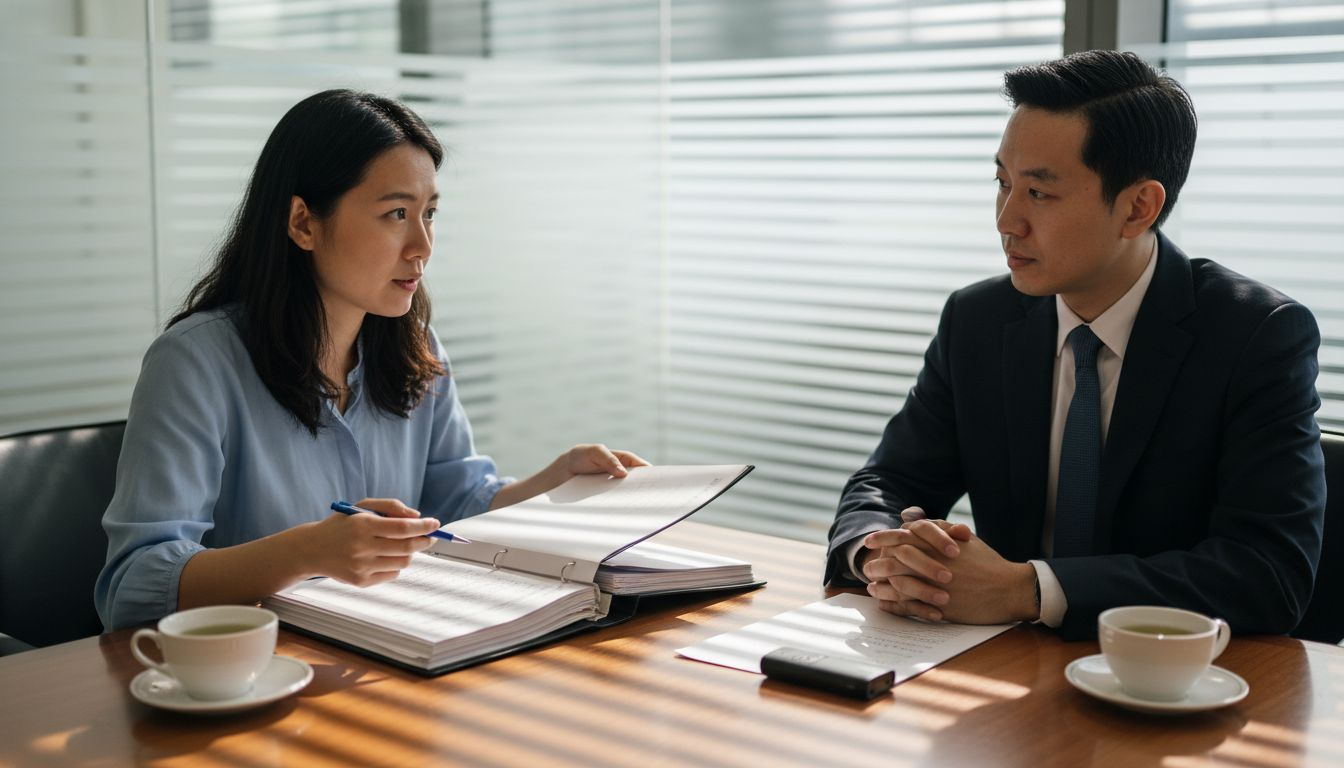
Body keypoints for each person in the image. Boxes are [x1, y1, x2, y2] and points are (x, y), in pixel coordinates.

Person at [96, 90, 647, 631]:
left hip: (388, 651)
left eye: (430, 213)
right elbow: (133, 586)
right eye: (396, 213)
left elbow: (456, 503)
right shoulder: (194, 363)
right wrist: (308, 551)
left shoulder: (416, 348)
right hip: (252, 670)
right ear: (303, 223)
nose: (422, 245)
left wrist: (556, 483)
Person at [824, 50, 1326, 640]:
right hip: (1000, 667)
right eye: (1003, 184)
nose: (1007, 221)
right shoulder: (978, 320)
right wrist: (880, 552)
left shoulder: (1256, 335)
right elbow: (887, 481)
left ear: (1138, 207)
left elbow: (1268, 574)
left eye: (1039, 193)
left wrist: (1027, 589)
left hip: (1164, 676)